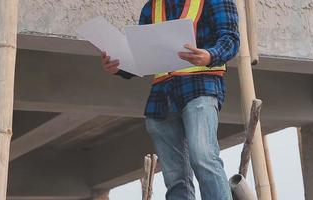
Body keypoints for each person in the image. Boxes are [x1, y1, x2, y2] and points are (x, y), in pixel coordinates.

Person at [101, 0, 239, 199]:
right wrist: (119, 65)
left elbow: (230, 38)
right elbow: (141, 56)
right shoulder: (151, 7)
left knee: (203, 158)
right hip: (162, 99)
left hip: (199, 89)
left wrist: (210, 55)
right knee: (175, 177)